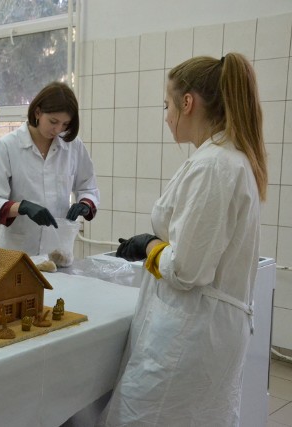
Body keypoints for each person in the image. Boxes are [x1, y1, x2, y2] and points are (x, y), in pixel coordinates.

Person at [99, 53, 267, 426]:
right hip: (202, 329)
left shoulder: (215, 165)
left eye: (167, 104)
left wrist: (150, 247)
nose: (166, 115)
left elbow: (189, 269)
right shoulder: (222, 158)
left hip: (190, 335)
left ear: (187, 103)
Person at [0, 81, 99, 256]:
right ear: (37, 112)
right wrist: (22, 207)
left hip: (58, 249)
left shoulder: (73, 146)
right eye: (53, 121)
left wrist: (85, 204)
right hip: (18, 251)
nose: (58, 129)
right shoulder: (9, 146)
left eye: (65, 124)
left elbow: (88, 187)